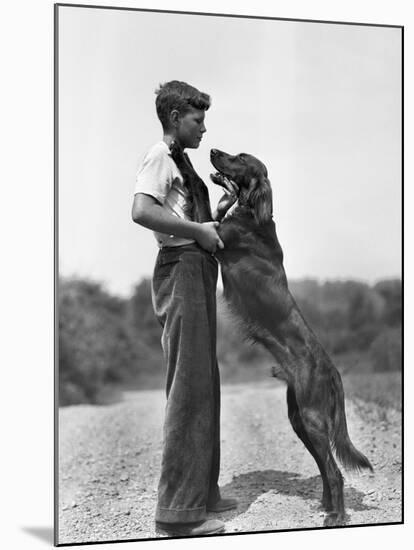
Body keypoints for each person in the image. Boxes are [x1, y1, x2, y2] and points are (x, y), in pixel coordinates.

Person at [131, 81, 238, 537]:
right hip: (179, 269)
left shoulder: (183, 162)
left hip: (198, 268)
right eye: (198, 120)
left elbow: (187, 216)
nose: (204, 128)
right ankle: (176, 515)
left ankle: (204, 493)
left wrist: (219, 214)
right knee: (187, 388)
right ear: (175, 117)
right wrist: (198, 230)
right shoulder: (159, 154)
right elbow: (141, 211)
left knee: (205, 383)